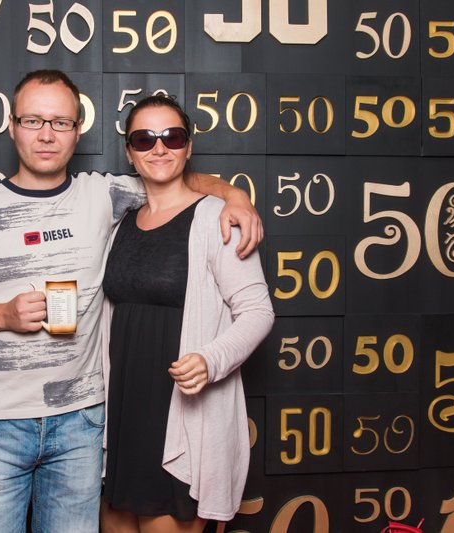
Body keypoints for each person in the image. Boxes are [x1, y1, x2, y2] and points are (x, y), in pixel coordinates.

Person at [0, 70, 262, 533]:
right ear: (12, 126)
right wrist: (0, 315)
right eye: (33, 120)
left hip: (82, 424)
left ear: (77, 129)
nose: (47, 134)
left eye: (60, 122)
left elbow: (171, 178)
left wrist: (234, 194)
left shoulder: (105, 194)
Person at [100, 95, 274, 533]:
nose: (159, 148)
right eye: (144, 139)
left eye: (172, 137)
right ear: (129, 152)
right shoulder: (119, 222)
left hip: (179, 416)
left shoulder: (217, 219)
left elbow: (257, 311)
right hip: (121, 415)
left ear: (189, 146)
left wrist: (211, 360)